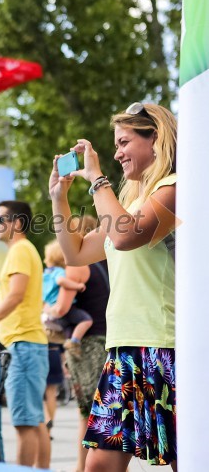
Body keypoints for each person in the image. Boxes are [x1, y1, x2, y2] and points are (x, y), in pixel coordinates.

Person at [49, 102, 177, 472]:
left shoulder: (175, 188)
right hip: (122, 348)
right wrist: (59, 197)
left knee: (187, 460)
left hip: (164, 346)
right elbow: (74, 253)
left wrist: (97, 179)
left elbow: (126, 238)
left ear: (155, 138)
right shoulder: (127, 203)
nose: (117, 152)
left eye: (124, 142)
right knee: (99, 465)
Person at [0, 201, 50, 469]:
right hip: (28, 344)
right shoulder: (23, 250)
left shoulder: (20, 250)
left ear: (17, 224)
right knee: (34, 419)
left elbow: (16, 295)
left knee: (24, 423)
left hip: (23, 344)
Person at [47, 215, 109, 472]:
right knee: (102, 409)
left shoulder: (76, 266)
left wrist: (46, 310)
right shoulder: (103, 264)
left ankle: (83, 467)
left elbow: (61, 308)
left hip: (86, 344)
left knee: (87, 412)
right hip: (105, 338)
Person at [43, 239, 91, 358]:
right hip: (64, 309)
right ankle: (74, 342)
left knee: (69, 326)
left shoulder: (45, 274)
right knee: (86, 320)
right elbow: (61, 281)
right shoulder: (58, 271)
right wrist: (77, 286)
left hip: (51, 308)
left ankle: (69, 342)